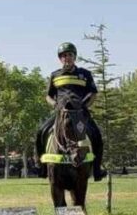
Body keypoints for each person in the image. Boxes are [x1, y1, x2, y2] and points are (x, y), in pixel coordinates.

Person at [34, 42, 106, 181]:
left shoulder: (85, 74)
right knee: (40, 132)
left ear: (74, 57)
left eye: (70, 55)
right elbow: (48, 96)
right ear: (60, 58)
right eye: (64, 55)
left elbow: (93, 93)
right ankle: (42, 168)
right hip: (60, 113)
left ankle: (97, 170)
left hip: (80, 113)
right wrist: (54, 104)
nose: (67, 58)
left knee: (97, 135)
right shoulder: (55, 75)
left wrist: (85, 107)